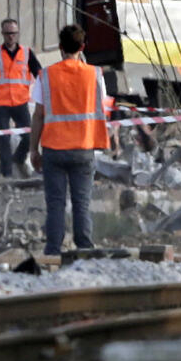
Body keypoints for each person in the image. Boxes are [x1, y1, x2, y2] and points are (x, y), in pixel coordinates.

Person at [30, 25, 110, 256]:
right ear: (82, 47)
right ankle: (84, 249)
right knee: (81, 203)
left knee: (55, 203)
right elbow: (100, 104)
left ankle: (53, 251)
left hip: (54, 149)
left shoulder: (46, 75)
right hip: (84, 148)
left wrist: (33, 150)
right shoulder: (94, 75)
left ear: (60, 47)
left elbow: (38, 115)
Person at [0, 19, 42, 177]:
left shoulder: (26, 53)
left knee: (29, 137)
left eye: (14, 33)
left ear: (17, 34)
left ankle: (18, 159)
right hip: (1, 104)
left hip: (20, 102)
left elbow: (40, 74)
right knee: (4, 139)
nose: (11, 36)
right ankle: (6, 175)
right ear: (2, 34)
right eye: (8, 33)